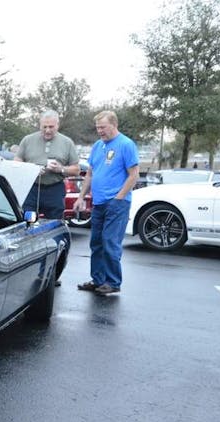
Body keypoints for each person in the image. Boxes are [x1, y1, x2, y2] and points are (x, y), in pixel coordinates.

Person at [74, 110, 140, 296]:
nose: (100, 131)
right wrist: (81, 197)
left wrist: (119, 198)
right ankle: (98, 280)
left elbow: (134, 175)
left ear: (114, 125)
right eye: (97, 128)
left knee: (110, 242)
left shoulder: (126, 144)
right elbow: (90, 174)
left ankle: (112, 282)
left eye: (103, 127)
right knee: (96, 242)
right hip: (99, 202)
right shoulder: (98, 145)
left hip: (117, 203)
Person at [14, 110, 80, 220]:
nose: (47, 130)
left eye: (51, 127)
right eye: (44, 127)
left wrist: (61, 169)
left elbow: (76, 169)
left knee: (54, 223)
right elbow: (17, 162)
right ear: (39, 125)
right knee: (29, 222)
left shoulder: (67, 143)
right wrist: (31, 170)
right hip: (32, 189)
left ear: (57, 125)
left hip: (55, 190)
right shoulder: (28, 140)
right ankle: (31, 229)